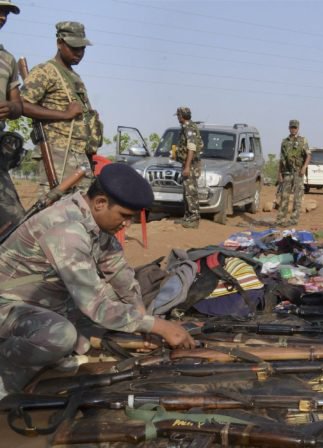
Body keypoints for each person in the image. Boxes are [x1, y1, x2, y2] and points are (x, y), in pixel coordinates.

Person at [0, 163, 195, 398]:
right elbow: (97, 307)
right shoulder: (67, 231)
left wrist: (141, 314)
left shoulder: (95, 221)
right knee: (60, 335)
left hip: (46, 300)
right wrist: (159, 326)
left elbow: (120, 273)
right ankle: (6, 377)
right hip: (8, 305)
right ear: (100, 203)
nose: (127, 224)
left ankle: (47, 356)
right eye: (125, 216)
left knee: (113, 301)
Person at [21, 21, 102, 191]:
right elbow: (23, 104)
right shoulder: (45, 71)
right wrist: (64, 115)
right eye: (74, 47)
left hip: (80, 154)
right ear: (59, 43)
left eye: (82, 48)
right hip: (58, 153)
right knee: (56, 205)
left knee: (81, 205)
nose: (79, 53)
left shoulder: (74, 76)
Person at [0, 1, 24, 232]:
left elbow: (18, 105)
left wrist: (11, 107)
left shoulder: (8, 59)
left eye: (6, 13)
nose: (2, 17)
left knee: (15, 222)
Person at [174, 106, 203, 229]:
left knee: (191, 192)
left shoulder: (189, 128)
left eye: (178, 115)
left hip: (191, 164)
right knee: (187, 191)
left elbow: (191, 148)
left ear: (182, 116)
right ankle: (188, 216)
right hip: (188, 163)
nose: (177, 117)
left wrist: (187, 166)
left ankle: (194, 218)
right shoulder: (187, 127)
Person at [276, 119, 310, 227]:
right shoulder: (284, 142)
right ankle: (281, 220)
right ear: (289, 128)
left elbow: (308, 155)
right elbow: (281, 158)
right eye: (292, 127)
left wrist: (304, 167)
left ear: (298, 128)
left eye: (295, 127)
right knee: (284, 196)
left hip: (298, 172)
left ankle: (293, 220)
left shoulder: (303, 140)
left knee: (297, 197)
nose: (293, 129)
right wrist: (279, 173)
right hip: (286, 172)